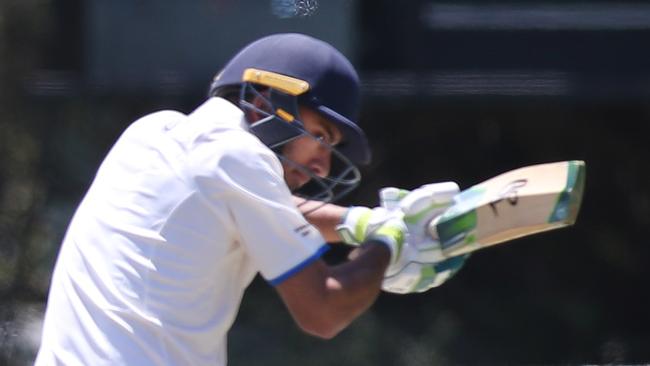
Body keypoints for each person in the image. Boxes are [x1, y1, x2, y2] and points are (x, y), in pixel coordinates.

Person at [35, 33, 467, 366]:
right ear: (265, 101)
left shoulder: (152, 135)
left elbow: (261, 209)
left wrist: (360, 223)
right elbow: (325, 310)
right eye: (319, 136)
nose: (322, 167)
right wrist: (386, 245)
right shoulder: (239, 157)